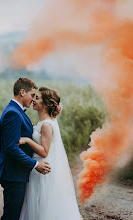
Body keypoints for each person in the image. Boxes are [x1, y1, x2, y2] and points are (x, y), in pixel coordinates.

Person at [19, 87, 82, 220]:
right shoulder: (43, 122)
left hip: (43, 169)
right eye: (34, 97)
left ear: (46, 105)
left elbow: (45, 151)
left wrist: (27, 141)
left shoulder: (47, 125)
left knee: (42, 205)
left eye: (37, 98)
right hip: (37, 168)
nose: (33, 100)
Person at [0, 78, 51, 220]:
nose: (33, 99)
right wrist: (35, 164)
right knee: (11, 216)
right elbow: (11, 148)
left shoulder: (16, 111)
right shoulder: (13, 113)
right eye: (32, 95)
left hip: (17, 173)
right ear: (22, 92)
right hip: (13, 174)